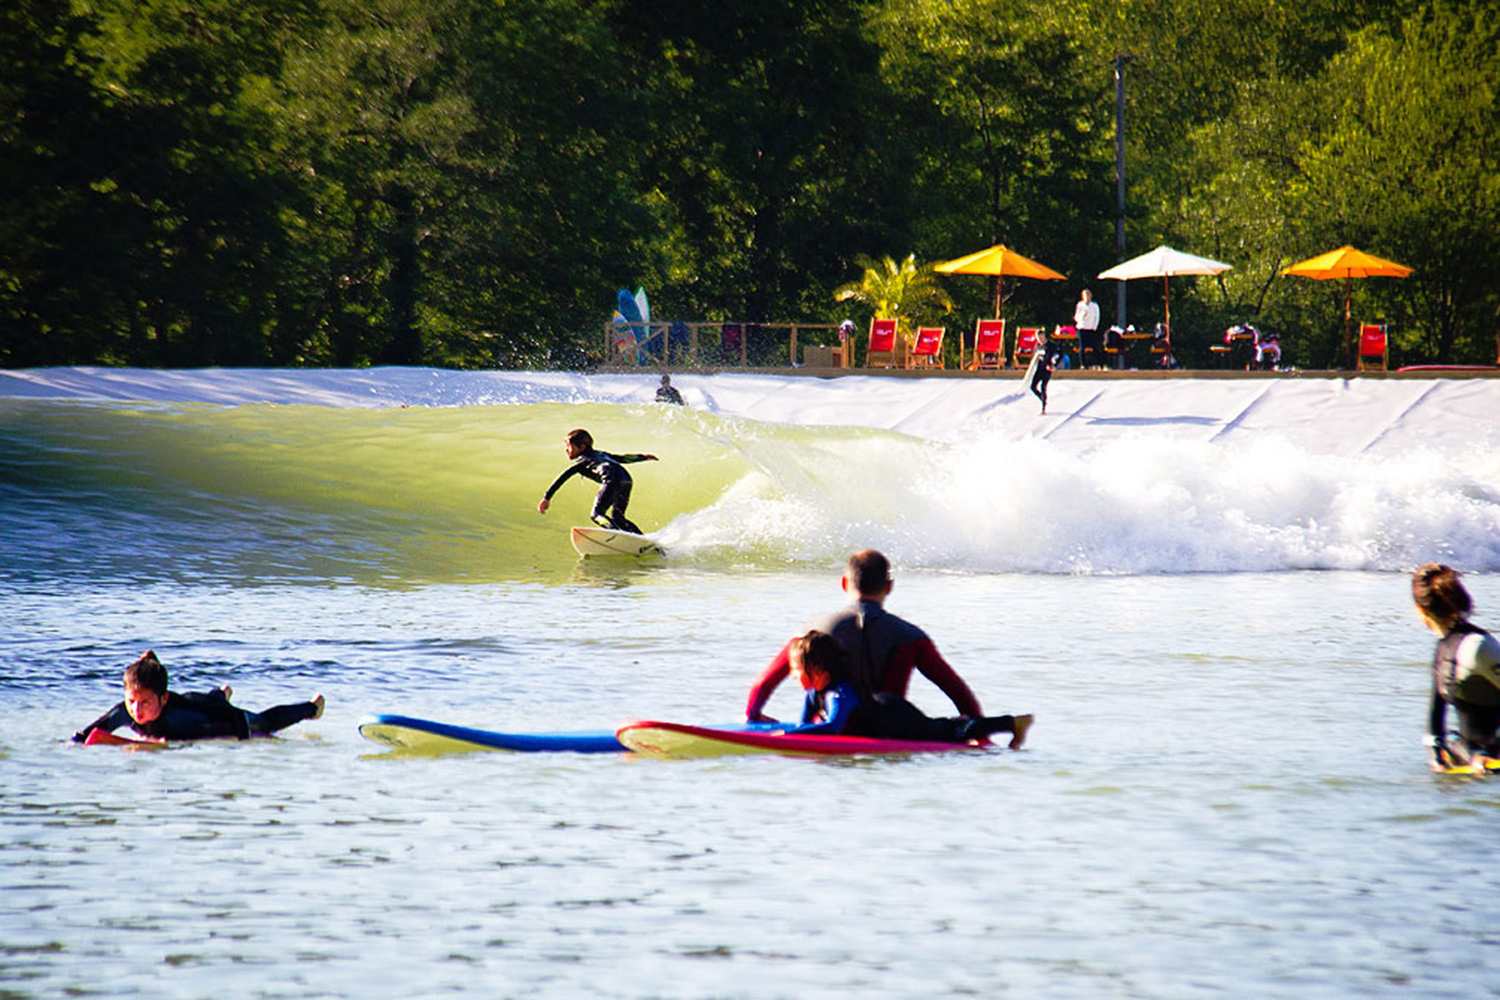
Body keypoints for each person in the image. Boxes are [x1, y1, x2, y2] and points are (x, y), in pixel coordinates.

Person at [745, 550, 1029, 746]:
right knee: (946, 727)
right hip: (890, 734)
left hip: (868, 728)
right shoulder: (910, 635)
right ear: (889, 586)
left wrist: (753, 717)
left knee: (942, 727)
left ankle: (1005, 724)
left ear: (844, 583)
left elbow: (762, 685)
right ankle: (995, 726)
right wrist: (979, 736)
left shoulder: (810, 634)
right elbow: (957, 691)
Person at [788, 630, 1031, 747]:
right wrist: (789, 734)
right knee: (946, 728)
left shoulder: (840, 693)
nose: (793, 674)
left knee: (948, 730)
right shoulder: (813, 694)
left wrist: (787, 737)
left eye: (797, 669)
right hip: (880, 706)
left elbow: (832, 728)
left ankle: (1012, 723)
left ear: (819, 669)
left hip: (894, 716)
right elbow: (802, 726)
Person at [71, 650, 324, 743]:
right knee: (213, 699)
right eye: (132, 701)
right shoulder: (126, 710)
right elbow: (89, 734)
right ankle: (220, 693)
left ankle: (312, 708)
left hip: (209, 713)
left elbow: (195, 741)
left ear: (162, 699)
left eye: (145, 702)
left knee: (262, 724)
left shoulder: (182, 721)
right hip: (189, 701)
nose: (136, 709)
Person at [1413, 564, 1500, 772]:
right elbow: (1435, 724)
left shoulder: (1478, 646)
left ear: (1420, 610)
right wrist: (1437, 759)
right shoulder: (1442, 650)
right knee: (1452, 741)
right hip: (1474, 756)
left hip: (1488, 754)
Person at [538, 428, 659, 535]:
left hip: (611, 479)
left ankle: (615, 533)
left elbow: (563, 477)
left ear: (582, 447)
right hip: (626, 478)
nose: (566, 450)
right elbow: (623, 458)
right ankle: (643, 539)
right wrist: (643, 457)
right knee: (618, 518)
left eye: (569, 446)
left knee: (596, 514)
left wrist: (547, 497)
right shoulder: (602, 454)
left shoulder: (582, 461)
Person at [1026, 328, 1059, 414]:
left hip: (1047, 368)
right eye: (1038, 338)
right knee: (1033, 387)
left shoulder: (1051, 346)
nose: (1040, 339)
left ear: (1044, 336)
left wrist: (1054, 365)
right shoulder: (1037, 346)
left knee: (1043, 387)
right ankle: (1042, 398)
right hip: (1039, 368)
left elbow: (1058, 355)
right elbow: (1035, 358)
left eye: (1041, 337)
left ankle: (1043, 407)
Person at [1073, 289, 1101, 368]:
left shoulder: (1094, 305)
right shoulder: (1080, 305)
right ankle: (1083, 364)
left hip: (1091, 328)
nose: (1087, 298)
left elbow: (1097, 317)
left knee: (1094, 347)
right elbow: (1076, 317)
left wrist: (1094, 327)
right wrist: (1082, 316)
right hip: (1082, 328)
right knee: (1082, 347)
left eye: (1088, 296)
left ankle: (1098, 363)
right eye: (1085, 296)